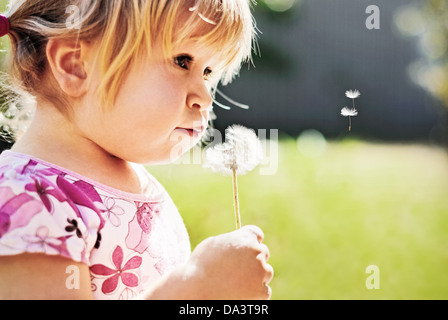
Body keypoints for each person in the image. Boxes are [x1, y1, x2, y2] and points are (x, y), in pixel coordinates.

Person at [0, 0, 273, 300]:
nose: (205, 98)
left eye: (208, 71)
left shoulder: (132, 183)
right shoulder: (29, 202)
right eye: (183, 61)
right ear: (75, 65)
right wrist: (197, 287)